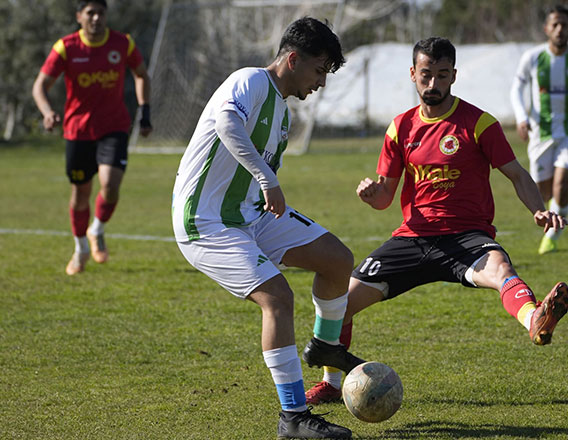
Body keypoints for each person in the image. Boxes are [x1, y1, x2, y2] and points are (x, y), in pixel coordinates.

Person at [305, 37, 568, 405]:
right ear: (413, 74)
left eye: (442, 75)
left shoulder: (478, 123)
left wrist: (537, 209)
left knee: (500, 270)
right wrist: (371, 193)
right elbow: (385, 197)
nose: (433, 84)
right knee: (340, 303)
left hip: (466, 237)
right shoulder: (400, 128)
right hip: (412, 239)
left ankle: (535, 320)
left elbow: (517, 174)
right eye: (426, 75)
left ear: (454, 76)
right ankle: (332, 384)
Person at [171, 17, 363, 439]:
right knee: (277, 297)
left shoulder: (281, 111)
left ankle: (327, 347)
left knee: (337, 260)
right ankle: (293, 417)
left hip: (250, 216)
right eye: (318, 70)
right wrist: (267, 179)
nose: (321, 83)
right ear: (293, 59)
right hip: (206, 222)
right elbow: (227, 124)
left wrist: (264, 188)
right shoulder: (250, 81)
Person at [32, 0, 153, 275]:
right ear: (79, 17)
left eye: (101, 13)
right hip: (78, 131)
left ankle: (96, 230)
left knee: (110, 186)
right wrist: (47, 111)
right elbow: (40, 85)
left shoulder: (123, 44)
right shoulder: (66, 47)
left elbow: (142, 75)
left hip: (114, 128)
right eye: (90, 13)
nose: (96, 18)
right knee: (81, 192)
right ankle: (80, 249)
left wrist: (145, 112)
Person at [510, 5, 568, 255]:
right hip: (541, 134)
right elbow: (516, 89)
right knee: (544, 192)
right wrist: (521, 118)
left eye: (564, 25)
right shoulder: (532, 57)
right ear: (546, 29)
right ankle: (553, 222)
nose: (560, 29)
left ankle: (552, 236)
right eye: (555, 25)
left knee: (561, 187)